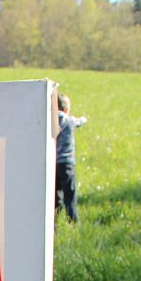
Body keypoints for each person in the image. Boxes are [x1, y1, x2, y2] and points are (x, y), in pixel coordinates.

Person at [55, 93, 88, 223]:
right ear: (66, 109)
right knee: (70, 193)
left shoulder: (50, 121)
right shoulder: (69, 120)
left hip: (54, 163)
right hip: (67, 163)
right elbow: (80, 121)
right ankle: (72, 219)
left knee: (56, 195)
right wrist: (84, 118)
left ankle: (53, 220)